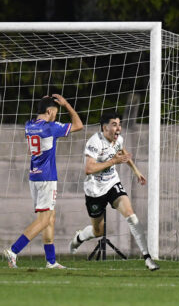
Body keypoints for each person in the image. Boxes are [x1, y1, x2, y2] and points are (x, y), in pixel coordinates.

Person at [69, 110, 159, 271]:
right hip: (94, 191)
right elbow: (89, 169)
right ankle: (80, 237)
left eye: (119, 124)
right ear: (104, 127)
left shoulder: (118, 140)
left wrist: (136, 172)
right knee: (98, 231)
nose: (118, 128)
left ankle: (147, 257)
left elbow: (123, 153)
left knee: (131, 215)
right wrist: (113, 161)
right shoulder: (94, 142)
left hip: (112, 184)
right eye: (114, 125)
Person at [3, 95, 83, 268]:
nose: (56, 115)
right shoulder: (51, 128)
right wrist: (67, 105)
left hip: (34, 176)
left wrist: (45, 103)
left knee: (50, 217)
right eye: (55, 112)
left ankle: (51, 261)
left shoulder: (29, 125)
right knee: (44, 219)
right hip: (47, 178)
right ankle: (13, 250)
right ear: (49, 111)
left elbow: (40, 119)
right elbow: (79, 125)